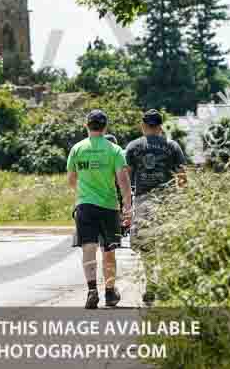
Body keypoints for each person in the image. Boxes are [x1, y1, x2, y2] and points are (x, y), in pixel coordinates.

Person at [67, 110, 133, 309]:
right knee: (108, 250)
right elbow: (123, 180)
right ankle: (110, 292)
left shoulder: (77, 149)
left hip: (85, 206)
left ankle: (92, 291)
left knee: (88, 249)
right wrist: (127, 204)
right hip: (109, 206)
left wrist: (84, 191)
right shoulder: (114, 150)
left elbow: (71, 180)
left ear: (87, 126)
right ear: (105, 127)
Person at [124, 109, 187, 305]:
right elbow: (182, 177)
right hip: (167, 201)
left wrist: (126, 203)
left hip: (143, 201)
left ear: (143, 126)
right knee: (167, 244)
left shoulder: (133, 147)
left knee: (147, 247)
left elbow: (125, 176)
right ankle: (166, 286)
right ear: (160, 127)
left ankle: (151, 286)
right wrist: (182, 200)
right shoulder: (172, 146)